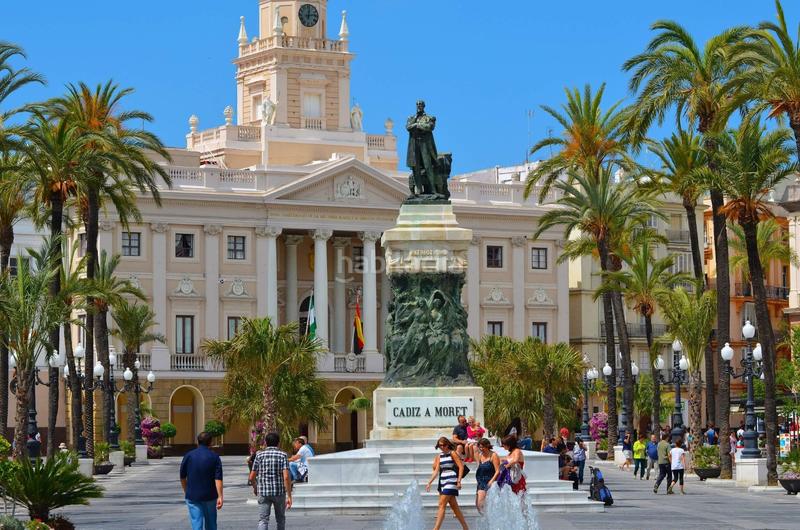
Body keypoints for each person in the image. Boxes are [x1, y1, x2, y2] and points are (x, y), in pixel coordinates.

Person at [179, 432, 223, 530]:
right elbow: (218, 478)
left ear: (197, 442)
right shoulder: (215, 457)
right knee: (211, 524)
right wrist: (220, 496)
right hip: (210, 495)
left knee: (196, 524)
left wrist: (186, 491)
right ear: (210, 442)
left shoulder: (189, 456)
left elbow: (182, 476)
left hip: (193, 495)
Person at [249, 432, 292, 530]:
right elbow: (286, 477)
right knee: (280, 519)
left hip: (263, 492)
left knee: (263, 520)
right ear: (278, 443)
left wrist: (256, 488)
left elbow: (251, 477)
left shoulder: (259, 455)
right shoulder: (283, 455)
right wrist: (289, 495)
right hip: (279, 492)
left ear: (266, 442)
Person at [425, 437, 468, 530]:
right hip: (443, 481)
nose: (442, 447)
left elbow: (461, 467)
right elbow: (436, 471)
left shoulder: (452, 453)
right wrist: (429, 482)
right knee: (454, 506)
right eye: (440, 445)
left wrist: (459, 481)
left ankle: (435, 529)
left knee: (441, 504)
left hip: (451, 480)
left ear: (448, 444)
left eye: (444, 445)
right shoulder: (439, 456)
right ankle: (466, 528)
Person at [475, 438, 501, 514]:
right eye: (480, 447)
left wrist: (491, 481)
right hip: (480, 481)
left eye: (483, 447)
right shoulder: (480, 455)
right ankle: (486, 519)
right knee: (478, 505)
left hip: (489, 480)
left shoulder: (493, 455)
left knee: (480, 503)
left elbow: (497, 471)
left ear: (487, 446)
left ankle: (489, 519)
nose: (481, 449)